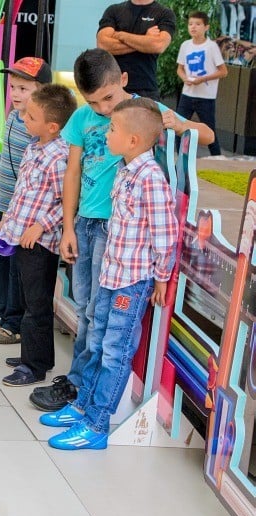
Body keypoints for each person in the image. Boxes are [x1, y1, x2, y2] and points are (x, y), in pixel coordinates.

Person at [30, 49, 215, 413]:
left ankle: (81, 386)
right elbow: (72, 172)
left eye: (108, 99)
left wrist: (180, 125)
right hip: (84, 223)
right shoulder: (83, 118)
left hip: (119, 234)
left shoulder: (143, 114)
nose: (102, 110)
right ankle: (81, 384)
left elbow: (207, 134)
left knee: (102, 314)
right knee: (84, 306)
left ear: (124, 81)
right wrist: (68, 226)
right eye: (94, 102)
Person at [45, 99, 178, 451]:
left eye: (114, 130)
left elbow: (165, 235)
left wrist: (162, 277)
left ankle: (97, 423)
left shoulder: (150, 179)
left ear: (133, 140)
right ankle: (84, 405)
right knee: (98, 341)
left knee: (115, 351)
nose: (108, 134)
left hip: (130, 284)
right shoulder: (124, 169)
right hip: (110, 275)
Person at [0, 84, 76, 386]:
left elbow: (66, 200)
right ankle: (36, 354)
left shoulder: (58, 157)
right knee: (29, 301)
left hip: (40, 244)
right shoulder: (34, 147)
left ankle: (34, 366)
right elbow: (24, 192)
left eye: (30, 116)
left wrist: (41, 225)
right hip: (20, 236)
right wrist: (9, 221)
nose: (24, 119)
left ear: (52, 126)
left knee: (37, 305)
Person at [0, 57, 51, 347]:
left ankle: (15, 323)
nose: (17, 94)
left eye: (24, 88)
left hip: (22, 212)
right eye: (13, 87)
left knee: (16, 269)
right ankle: (5, 317)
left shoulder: (37, 126)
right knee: (1, 263)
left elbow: (31, 166)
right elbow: (10, 158)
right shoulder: (13, 117)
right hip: (4, 202)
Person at [96, 0, 176, 101]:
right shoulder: (113, 10)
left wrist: (121, 35)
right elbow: (103, 44)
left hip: (146, 89)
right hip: (114, 88)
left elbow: (158, 45)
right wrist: (145, 39)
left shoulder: (164, 13)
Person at [176, 11, 227, 157]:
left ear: (206, 27)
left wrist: (203, 79)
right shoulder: (185, 45)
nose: (193, 27)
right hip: (187, 94)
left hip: (206, 97)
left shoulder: (211, 47)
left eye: (198, 24)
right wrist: (184, 78)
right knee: (179, 127)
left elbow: (223, 71)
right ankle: (180, 159)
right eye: (191, 24)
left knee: (210, 131)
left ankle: (218, 159)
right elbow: (179, 68)